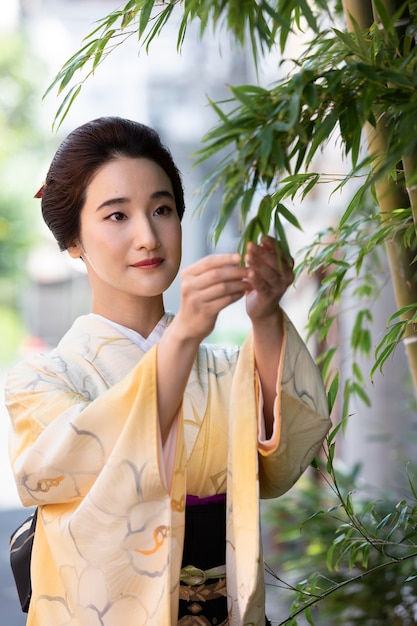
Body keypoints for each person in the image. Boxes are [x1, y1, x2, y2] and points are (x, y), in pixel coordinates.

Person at [6, 116, 331, 626]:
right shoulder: (43, 380)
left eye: (162, 209)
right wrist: (182, 338)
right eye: (117, 216)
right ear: (73, 241)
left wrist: (265, 317)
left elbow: (282, 463)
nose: (148, 236)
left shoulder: (225, 369)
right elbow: (55, 472)